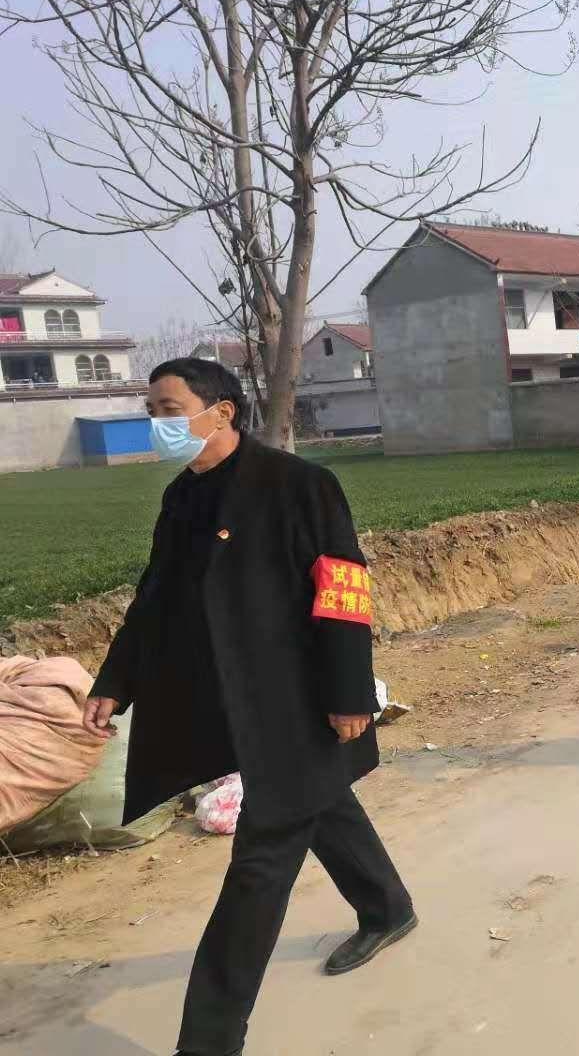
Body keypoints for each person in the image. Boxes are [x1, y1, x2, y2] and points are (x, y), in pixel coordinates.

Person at [82, 358, 414, 1056]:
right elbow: (154, 599)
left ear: (223, 410)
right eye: (151, 409)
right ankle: (388, 908)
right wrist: (114, 681)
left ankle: (206, 1043)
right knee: (320, 800)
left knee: (258, 868)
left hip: (299, 700)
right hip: (235, 698)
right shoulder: (182, 497)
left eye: (169, 408)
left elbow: (342, 590)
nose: (157, 422)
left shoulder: (299, 485)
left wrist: (349, 692)